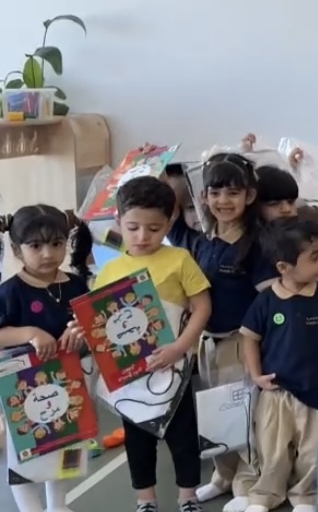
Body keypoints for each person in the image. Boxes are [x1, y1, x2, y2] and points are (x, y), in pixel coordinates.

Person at [98, 176, 212, 512]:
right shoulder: (111, 269)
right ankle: (145, 499)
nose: (142, 236)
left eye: (154, 228)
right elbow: (99, 320)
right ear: (119, 220)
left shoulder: (179, 259)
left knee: (183, 436)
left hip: (174, 367)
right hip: (132, 376)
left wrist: (180, 347)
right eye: (132, 228)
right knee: (138, 439)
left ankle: (188, 496)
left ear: (170, 222)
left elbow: (202, 307)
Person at [166, 153, 273, 512]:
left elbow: (269, 300)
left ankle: (247, 483)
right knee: (214, 413)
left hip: (240, 343)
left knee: (244, 414)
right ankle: (222, 475)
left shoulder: (256, 244)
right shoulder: (203, 241)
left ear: (250, 196)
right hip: (207, 342)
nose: (223, 201)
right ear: (204, 196)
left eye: (233, 192)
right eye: (215, 192)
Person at [240, 219, 318, 512]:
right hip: (277, 392)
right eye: (314, 257)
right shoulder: (266, 301)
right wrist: (256, 375)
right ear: (283, 267)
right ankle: (266, 495)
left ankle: (305, 496)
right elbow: (249, 338)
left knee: (313, 450)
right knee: (272, 449)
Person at [0, 206, 93, 512]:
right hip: (21, 387)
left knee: (63, 446)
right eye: (36, 246)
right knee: (24, 452)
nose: (48, 254)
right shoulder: (10, 291)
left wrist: (79, 331)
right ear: (17, 250)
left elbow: (91, 326)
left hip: (66, 380)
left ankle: (57, 506)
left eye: (56, 243)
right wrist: (30, 332)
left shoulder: (75, 285)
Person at [253, 165, 318, 292]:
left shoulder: (302, 224)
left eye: (291, 202)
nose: (286, 209)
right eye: (274, 204)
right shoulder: (254, 247)